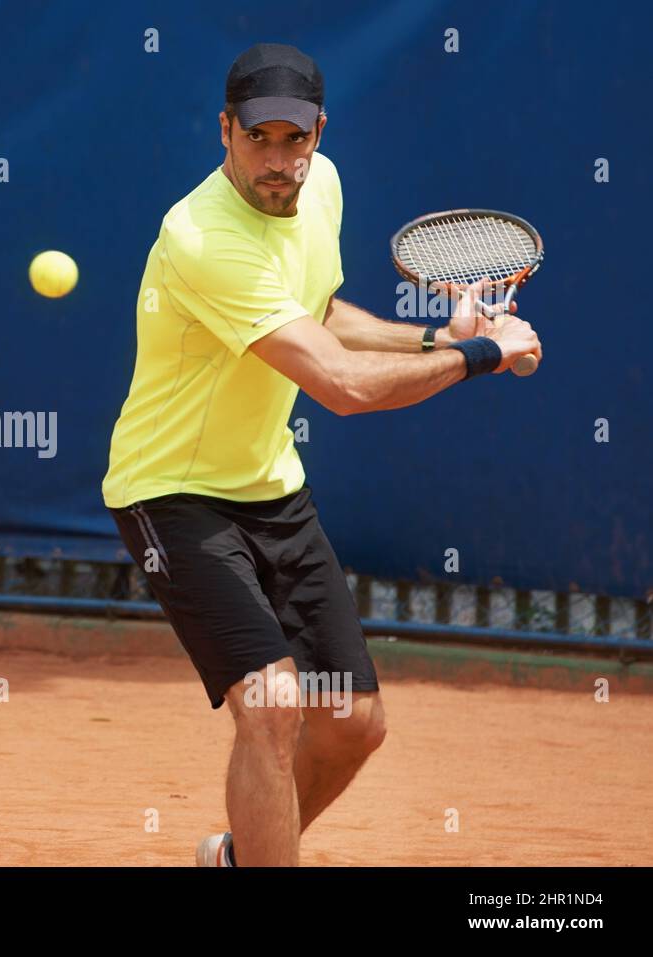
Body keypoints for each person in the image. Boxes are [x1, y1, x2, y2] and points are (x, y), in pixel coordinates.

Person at [101, 42, 541, 867]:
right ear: (223, 131)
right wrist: (479, 357)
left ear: (318, 134)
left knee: (351, 723)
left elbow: (322, 310)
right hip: (171, 492)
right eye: (258, 138)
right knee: (269, 704)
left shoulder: (322, 185)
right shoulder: (200, 236)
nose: (277, 160)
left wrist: (431, 335)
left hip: (271, 486)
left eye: (293, 140)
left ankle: (240, 857)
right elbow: (340, 385)